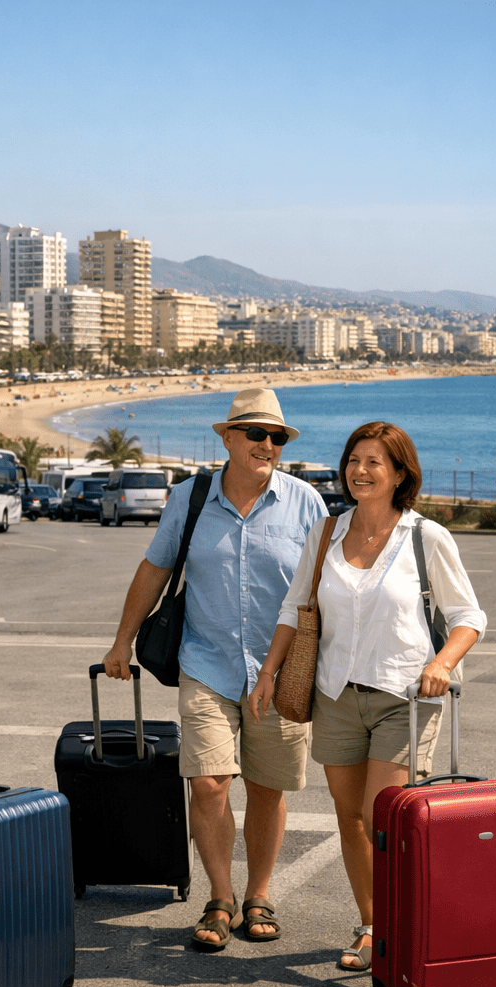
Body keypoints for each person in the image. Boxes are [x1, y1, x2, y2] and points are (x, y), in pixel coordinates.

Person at [252, 421, 484, 971]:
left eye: (374, 462)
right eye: (354, 460)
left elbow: (468, 617)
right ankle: (373, 926)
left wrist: (441, 662)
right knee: (349, 818)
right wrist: (268, 673)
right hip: (334, 694)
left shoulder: (426, 538)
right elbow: (293, 609)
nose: (359, 470)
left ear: (400, 472)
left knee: (383, 817)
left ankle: (408, 927)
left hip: (403, 696)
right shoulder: (327, 531)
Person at [103, 388, 327, 952]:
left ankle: (259, 895)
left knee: (269, 788)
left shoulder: (306, 503)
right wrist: (121, 642)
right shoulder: (190, 496)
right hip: (206, 661)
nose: (266, 445)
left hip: (281, 671)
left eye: (276, 437)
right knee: (207, 783)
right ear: (227, 438)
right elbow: (155, 568)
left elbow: (325, 592)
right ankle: (220, 898)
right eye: (255, 434)